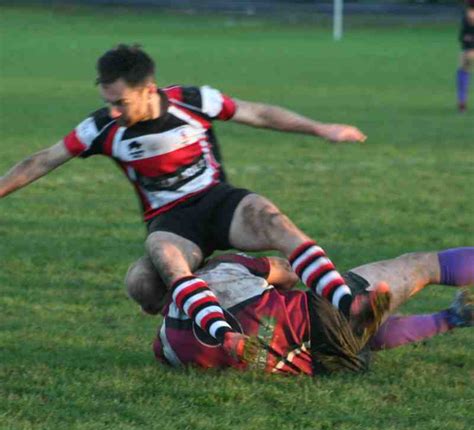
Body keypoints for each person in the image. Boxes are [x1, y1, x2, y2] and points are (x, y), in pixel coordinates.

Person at [0, 44, 371, 360]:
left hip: (219, 205)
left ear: (148, 90)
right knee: (144, 282)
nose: (113, 111)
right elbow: (43, 159)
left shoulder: (192, 102)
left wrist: (321, 128)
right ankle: (226, 337)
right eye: (107, 103)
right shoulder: (101, 128)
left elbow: (259, 113)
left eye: (121, 103)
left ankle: (347, 304)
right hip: (174, 224)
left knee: (271, 218)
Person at [125, 247, 474, 375]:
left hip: (325, 364)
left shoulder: (166, 348)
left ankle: (454, 317)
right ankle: (356, 308)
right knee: (420, 265)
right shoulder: (218, 270)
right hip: (319, 316)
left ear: (149, 309)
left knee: (358, 337)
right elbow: (288, 271)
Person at [456, 0, 474, 111]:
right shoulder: (467, 15)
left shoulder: (467, 15)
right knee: (464, 68)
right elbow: (463, 36)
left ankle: (462, 101)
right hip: (469, 48)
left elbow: (462, 36)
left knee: (463, 69)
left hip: (468, 49)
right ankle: (462, 102)